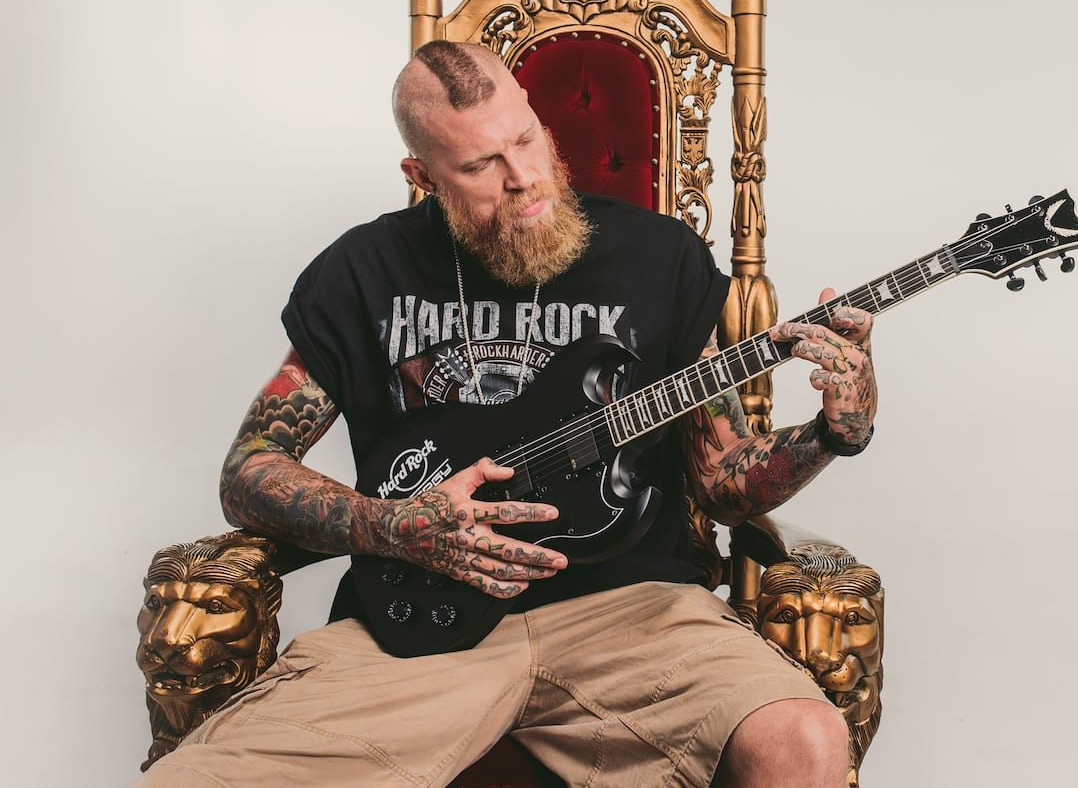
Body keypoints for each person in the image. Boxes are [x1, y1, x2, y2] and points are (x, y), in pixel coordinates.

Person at [138, 40, 879, 787]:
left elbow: (725, 481)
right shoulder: (362, 271)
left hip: (632, 616)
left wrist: (829, 434)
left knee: (804, 739)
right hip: (417, 633)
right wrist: (388, 524)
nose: (524, 179)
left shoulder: (661, 257)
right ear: (422, 176)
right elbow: (249, 470)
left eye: (526, 138)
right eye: (480, 165)